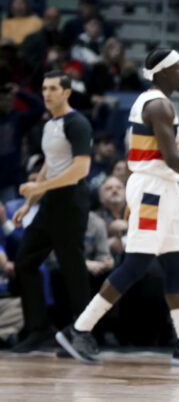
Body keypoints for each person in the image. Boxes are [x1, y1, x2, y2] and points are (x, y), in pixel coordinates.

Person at [55, 48, 179, 365]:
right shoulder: (157, 104)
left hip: (166, 188)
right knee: (136, 264)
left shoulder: (158, 102)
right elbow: (172, 157)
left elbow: (168, 162)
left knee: (176, 263)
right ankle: (80, 328)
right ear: (161, 73)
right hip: (151, 192)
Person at [11, 71, 93, 353]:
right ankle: (39, 330)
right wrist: (29, 202)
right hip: (50, 203)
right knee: (24, 262)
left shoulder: (77, 123)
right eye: (44, 88)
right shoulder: (50, 124)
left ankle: (84, 334)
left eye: (54, 88)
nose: (47, 93)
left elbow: (81, 169)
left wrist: (39, 187)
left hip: (71, 202)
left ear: (67, 93)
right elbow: (52, 162)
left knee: (73, 269)